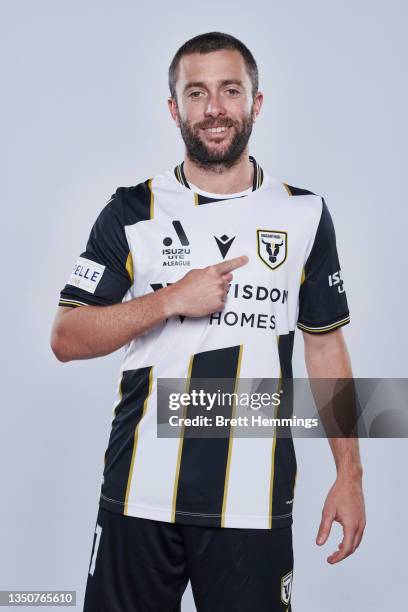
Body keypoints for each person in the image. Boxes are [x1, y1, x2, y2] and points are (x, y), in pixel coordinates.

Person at [51, 31, 366, 612]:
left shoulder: (304, 214)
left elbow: (326, 351)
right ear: (174, 108)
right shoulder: (131, 211)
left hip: (253, 503)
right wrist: (169, 299)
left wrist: (350, 475)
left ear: (256, 103)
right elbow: (67, 336)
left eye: (230, 90)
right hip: (138, 496)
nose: (214, 108)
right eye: (196, 93)